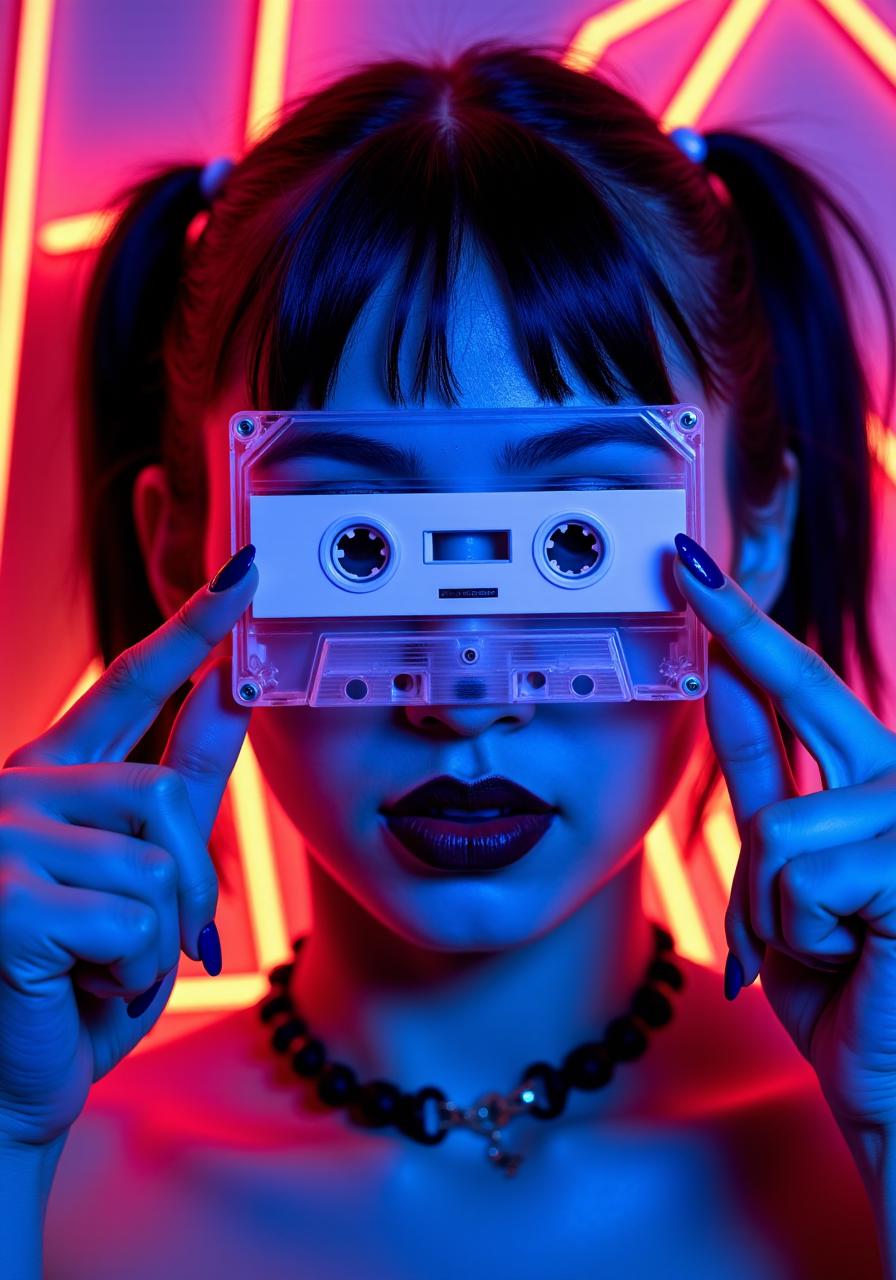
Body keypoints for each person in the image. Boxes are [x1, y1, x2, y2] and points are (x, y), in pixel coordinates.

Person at [2, 38, 895, 1279]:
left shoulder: (871, 1144)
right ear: (179, 559)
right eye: (352, 546)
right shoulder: (41, 1176)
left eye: (578, 543)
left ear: (750, 539)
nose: (464, 689)